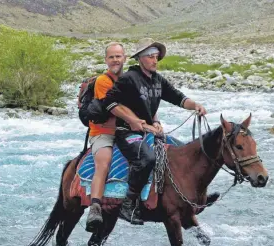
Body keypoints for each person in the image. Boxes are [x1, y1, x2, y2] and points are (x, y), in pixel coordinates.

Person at [104, 38, 219, 225]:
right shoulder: (129, 78)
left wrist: (194, 105)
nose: (154, 61)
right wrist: (132, 120)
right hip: (127, 133)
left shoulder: (157, 80)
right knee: (147, 159)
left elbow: (178, 97)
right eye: (150, 57)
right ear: (140, 59)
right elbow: (109, 103)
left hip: (150, 132)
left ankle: (197, 196)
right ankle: (128, 202)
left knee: (188, 152)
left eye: (156, 57)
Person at [85, 42, 127, 233]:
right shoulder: (103, 81)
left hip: (125, 130)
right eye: (111, 57)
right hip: (103, 132)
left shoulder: (129, 79)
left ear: (124, 58)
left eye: (118, 56)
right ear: (106, 60)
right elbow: (114, 108)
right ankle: (95, 207)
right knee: (104, 161)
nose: (115, 60)